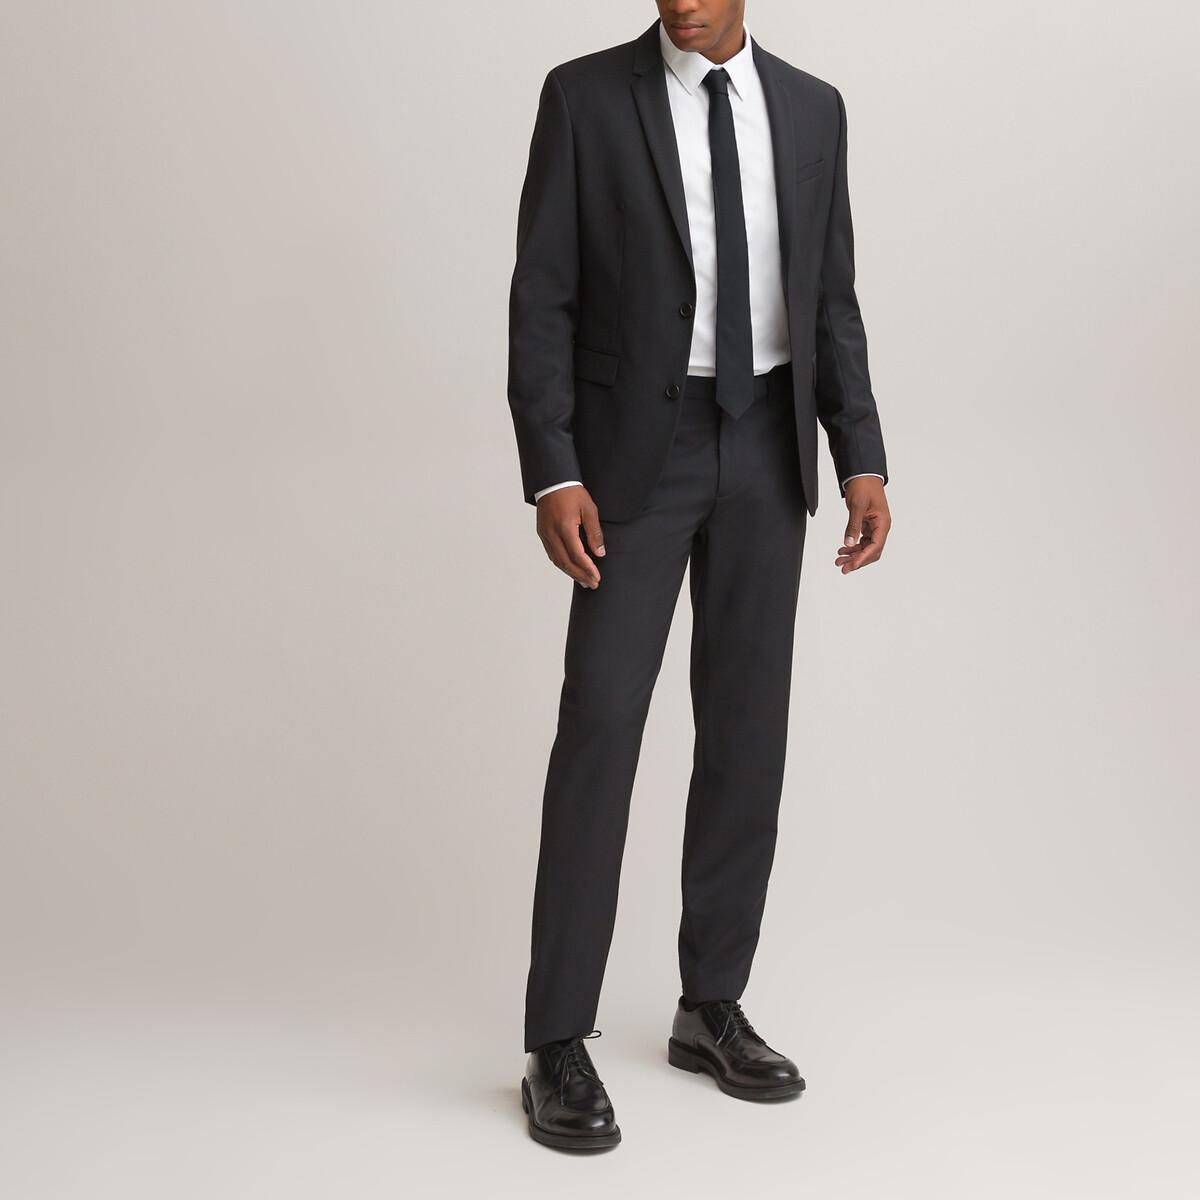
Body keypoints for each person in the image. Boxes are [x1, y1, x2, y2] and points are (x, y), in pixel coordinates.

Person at [508, 0, 892, 1151]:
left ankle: (709, 1004)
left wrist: (860, 453)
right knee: (601, 723)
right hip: (638, 453)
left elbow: (830, 298)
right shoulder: (584, 97)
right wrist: (552, 469)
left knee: (744, 731)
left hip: (769, 446)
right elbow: (542, 294)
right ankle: (556, 1039)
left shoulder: (814, 111)